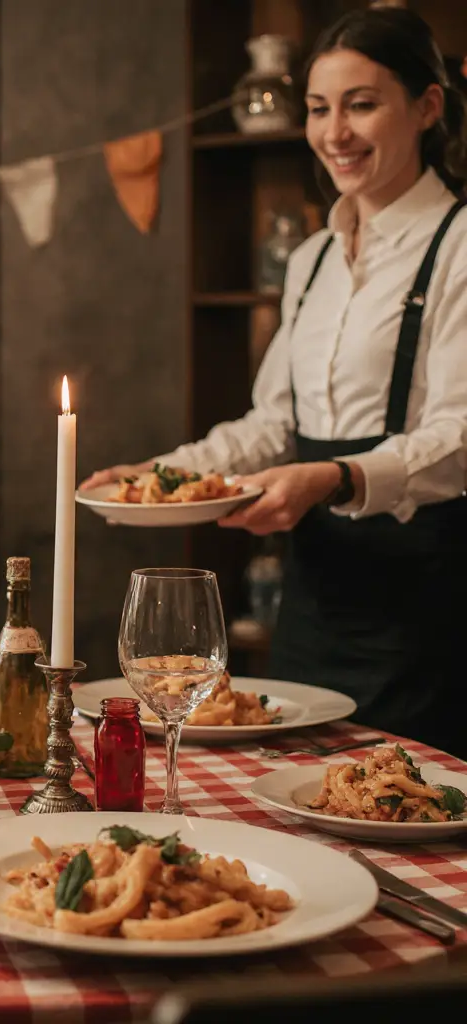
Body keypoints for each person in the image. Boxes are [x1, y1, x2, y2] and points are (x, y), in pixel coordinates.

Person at [83, 7, 467, 757]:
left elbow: (459, 436)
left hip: (426, 602)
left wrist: (332, 477)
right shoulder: (312, 258)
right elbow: (271, 424)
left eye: (362, 104)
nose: (334, 134)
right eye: (320, 109)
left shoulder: (460, 246)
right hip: (314, 603)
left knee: (407, 818)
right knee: (298, 793)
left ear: (427, 106)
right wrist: (162, 478)